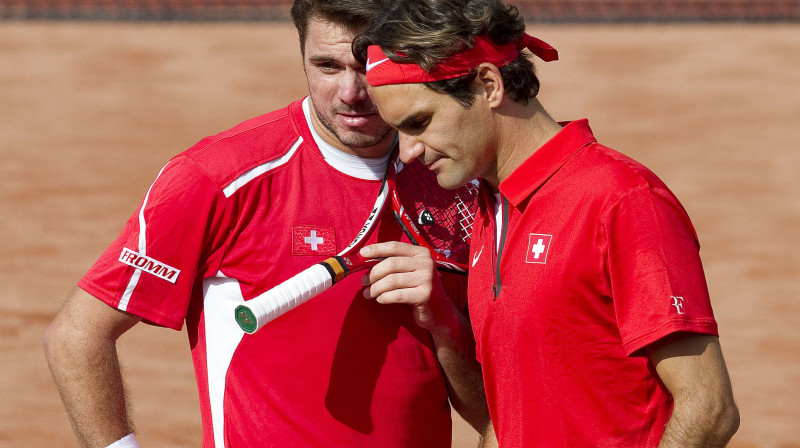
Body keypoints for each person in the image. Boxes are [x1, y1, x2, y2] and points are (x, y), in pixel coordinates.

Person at [42, 1, 494, 447]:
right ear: (301, 57)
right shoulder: (218, 177)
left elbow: (495, 416)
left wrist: (444, 323)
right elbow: (77, 336)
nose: (350, 92)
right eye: (326, 66)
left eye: (367, 65)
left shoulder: (462, 182)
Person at [353, 0, 740, 446]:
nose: (408, 152)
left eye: (419, 122)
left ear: (488, 84)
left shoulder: (620, 198)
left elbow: (707, 407)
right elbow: (511, 416)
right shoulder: (487, 214)